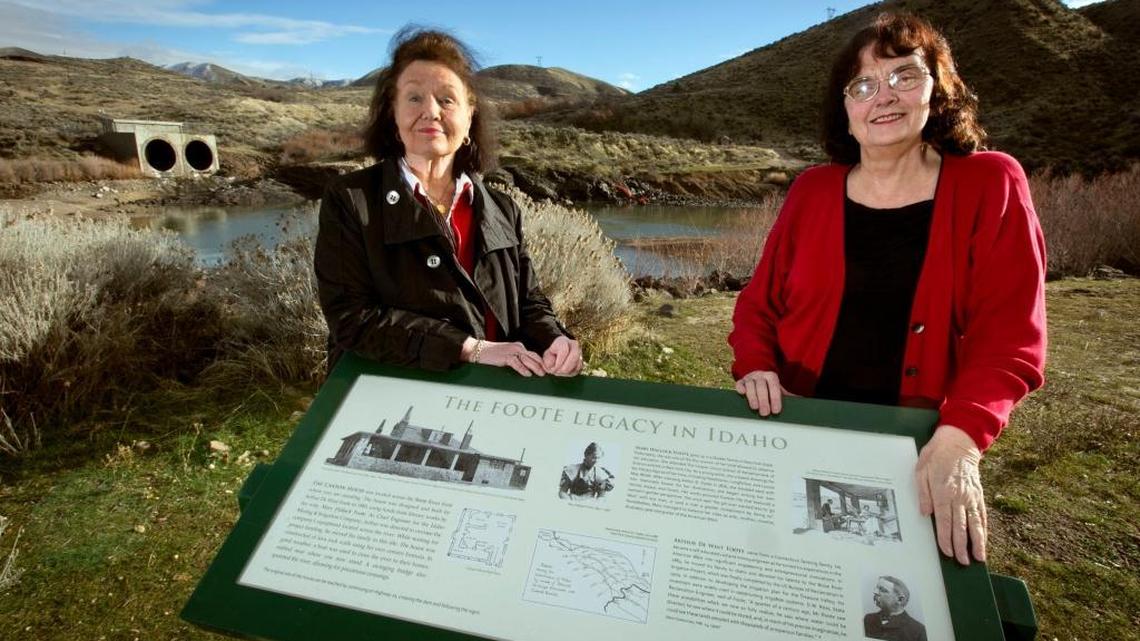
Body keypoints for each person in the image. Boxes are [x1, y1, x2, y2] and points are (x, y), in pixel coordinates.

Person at [729, 12, 1046, 565]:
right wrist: (756, 365)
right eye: (864, 85)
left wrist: (960, 439)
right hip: (799, 422)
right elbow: (761, 303)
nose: (885, 97)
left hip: (918, 443)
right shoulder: (812, 189)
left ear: (938, 90)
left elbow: (1010, 338)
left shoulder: (991, 182)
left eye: (905, 75)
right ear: (846, 110)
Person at [315, 28, 582, 377]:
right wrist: (469, 348)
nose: (431, 111)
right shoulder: (351, 200)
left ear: (469, 116)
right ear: (393, 116)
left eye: (446, 99)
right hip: (395, 394)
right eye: (414, 98)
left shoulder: (501, 208)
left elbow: (528, 302)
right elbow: (352, 319)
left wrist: (555, 339)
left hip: (492, 396)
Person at [864, 576, 927, 641]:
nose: (875, 592)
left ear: (900, 599)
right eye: (876, 588)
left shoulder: (918, 630)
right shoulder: (868, 619)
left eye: (883, 590)